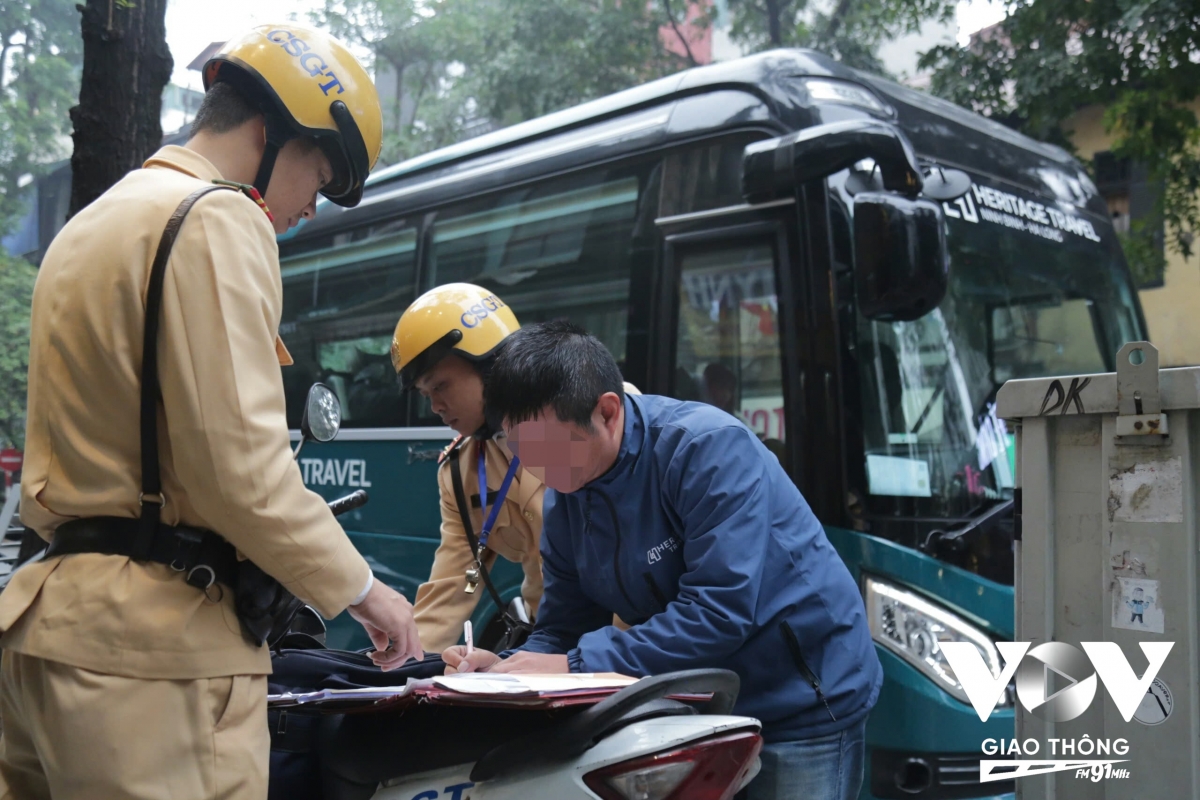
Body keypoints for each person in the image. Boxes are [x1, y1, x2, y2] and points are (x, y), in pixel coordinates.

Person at [0, 24, 421, 800]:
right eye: (318, 175)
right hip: (155, 658)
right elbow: (239, 472)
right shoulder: (218, 218)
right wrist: (368, 593)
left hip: (46, 634)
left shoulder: (93, 223)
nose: (307, 209)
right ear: (270, 132)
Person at [444, 320, 883, 800]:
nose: (532, 466)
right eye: (519, 447)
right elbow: (565, 623)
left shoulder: (705, 449)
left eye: (546, 448)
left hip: (799, 698)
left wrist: (572, 664)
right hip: (699, 708)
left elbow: (718, 613)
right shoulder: (567, 494)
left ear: (607, 413)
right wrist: (505, 672)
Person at [391, 284, 638, 652]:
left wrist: (609, 669)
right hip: (553, 650)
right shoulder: (461, 474)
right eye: (428, 395)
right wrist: (406, 670)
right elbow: (450, 589)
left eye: (442, 385)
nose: (436, 407)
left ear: (491, 366)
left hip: (632, 651)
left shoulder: (599, 421)